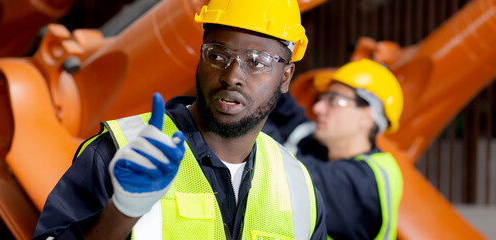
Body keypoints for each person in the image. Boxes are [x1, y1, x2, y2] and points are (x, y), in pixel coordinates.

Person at [32, 0, 327, 239]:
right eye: (217, 55)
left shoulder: (297, 184)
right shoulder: (120, 153)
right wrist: (123, 210)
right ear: (199, 59)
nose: (232, 75)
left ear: (286, 76)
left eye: (256, 62)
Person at [263, 59, 404, 240]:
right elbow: (289, 118)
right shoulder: (326, 152)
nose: (317, 107)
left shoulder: (362, 183)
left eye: (335, 100)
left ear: (367, 117)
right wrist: (267, 69)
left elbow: (281, 169)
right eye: (322, 99)